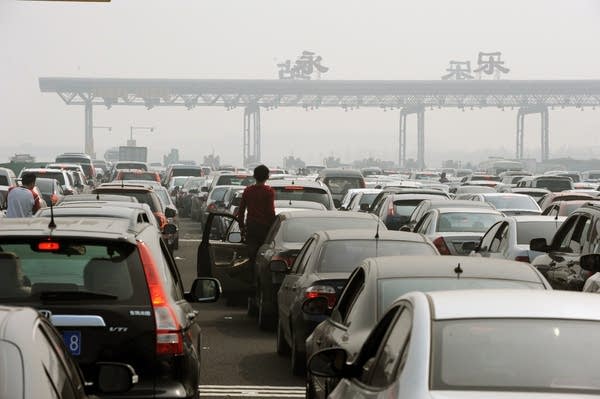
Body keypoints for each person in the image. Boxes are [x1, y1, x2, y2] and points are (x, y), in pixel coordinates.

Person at [236, 165, 276, 268]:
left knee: (251, 255)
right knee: (264, 255)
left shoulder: (248, 191)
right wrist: (274, 226)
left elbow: (241, 211)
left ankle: (251, 276)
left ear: (254, 176)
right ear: (267, 177)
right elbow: (270, 212)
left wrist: (241, 226)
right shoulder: (269, 192)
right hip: (265, 228)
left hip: (251, 227)